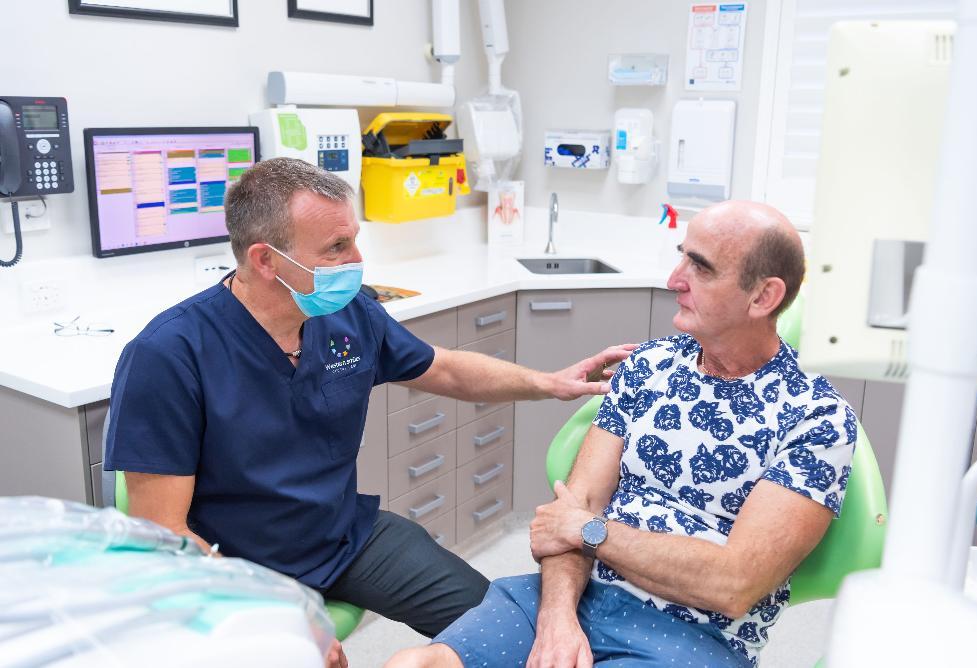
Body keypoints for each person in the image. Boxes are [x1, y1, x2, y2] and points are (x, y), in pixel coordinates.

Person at [104, 158, 634, 668]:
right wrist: (282, 618)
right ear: (266, 261)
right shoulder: (169, 354)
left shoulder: (347, 313)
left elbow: (443, 369)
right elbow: (163, 532)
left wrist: (550, 383)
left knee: (502, 632)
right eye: (337, 247)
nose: (357, 260)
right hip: (238, 565)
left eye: (355, 239)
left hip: (345, 536)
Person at [387, 200, 858, 668]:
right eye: (682, 256)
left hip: (694, 635)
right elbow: (574, 509)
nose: (675, 280)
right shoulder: (649, 367)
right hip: (576, 597)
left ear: (763, 297)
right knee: (412, 664)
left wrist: (591, 533)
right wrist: (556, 621)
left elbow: (733, 585)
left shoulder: (817, 418)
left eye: (701, 267)